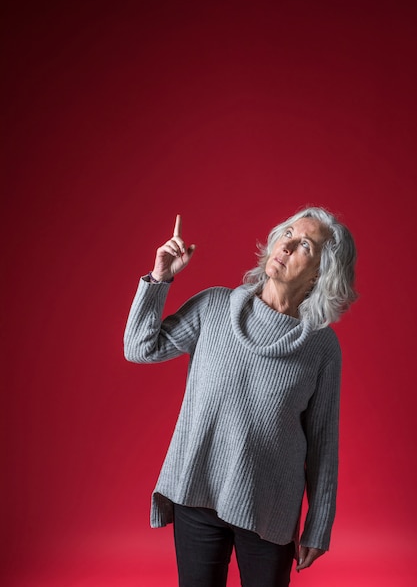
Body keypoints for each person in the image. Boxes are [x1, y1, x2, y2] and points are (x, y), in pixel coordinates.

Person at [124, 207, 357, 587]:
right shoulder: (213, 307)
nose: (286, 245)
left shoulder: (321, 347)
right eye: (287, 234)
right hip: (197, 491)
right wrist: (159, 278)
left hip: (270, 509)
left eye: (304, 246)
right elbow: (139, 347)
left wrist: (319, 525)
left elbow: (322, 444)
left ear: (319, 273)